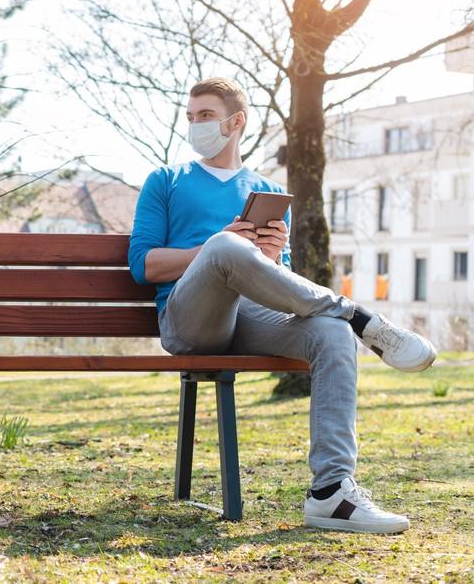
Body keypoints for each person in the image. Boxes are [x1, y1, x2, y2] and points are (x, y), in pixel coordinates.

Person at [128, 77, 436, 534]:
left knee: (329, 332)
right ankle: (358, 316)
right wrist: (218, 249)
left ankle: (332, 493)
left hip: (253, 317)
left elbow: (283, 285)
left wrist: (271, 256)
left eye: (206, 116)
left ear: (236, 122)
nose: (195, 126)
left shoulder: (268, 191)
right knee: (223, 247)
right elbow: (144, 265)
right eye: (191, 118)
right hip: (190, 321)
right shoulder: (166, 181)